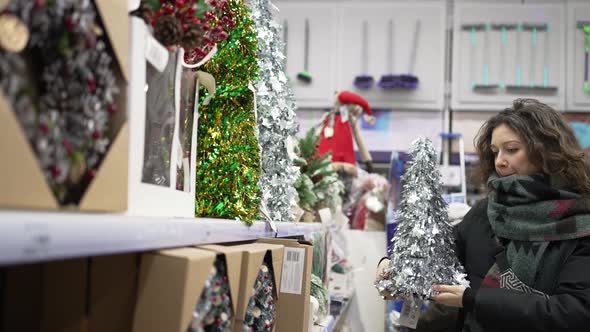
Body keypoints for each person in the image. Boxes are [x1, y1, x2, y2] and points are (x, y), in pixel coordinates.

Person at [376, 98, 590, 331]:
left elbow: (575, 312)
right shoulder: (487, 211)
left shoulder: (579, 222)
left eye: (512, 150)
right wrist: (394, 266)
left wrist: (472, 299)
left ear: (546, 151)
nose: (500, 161)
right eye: (495, 152)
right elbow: (439, 255)